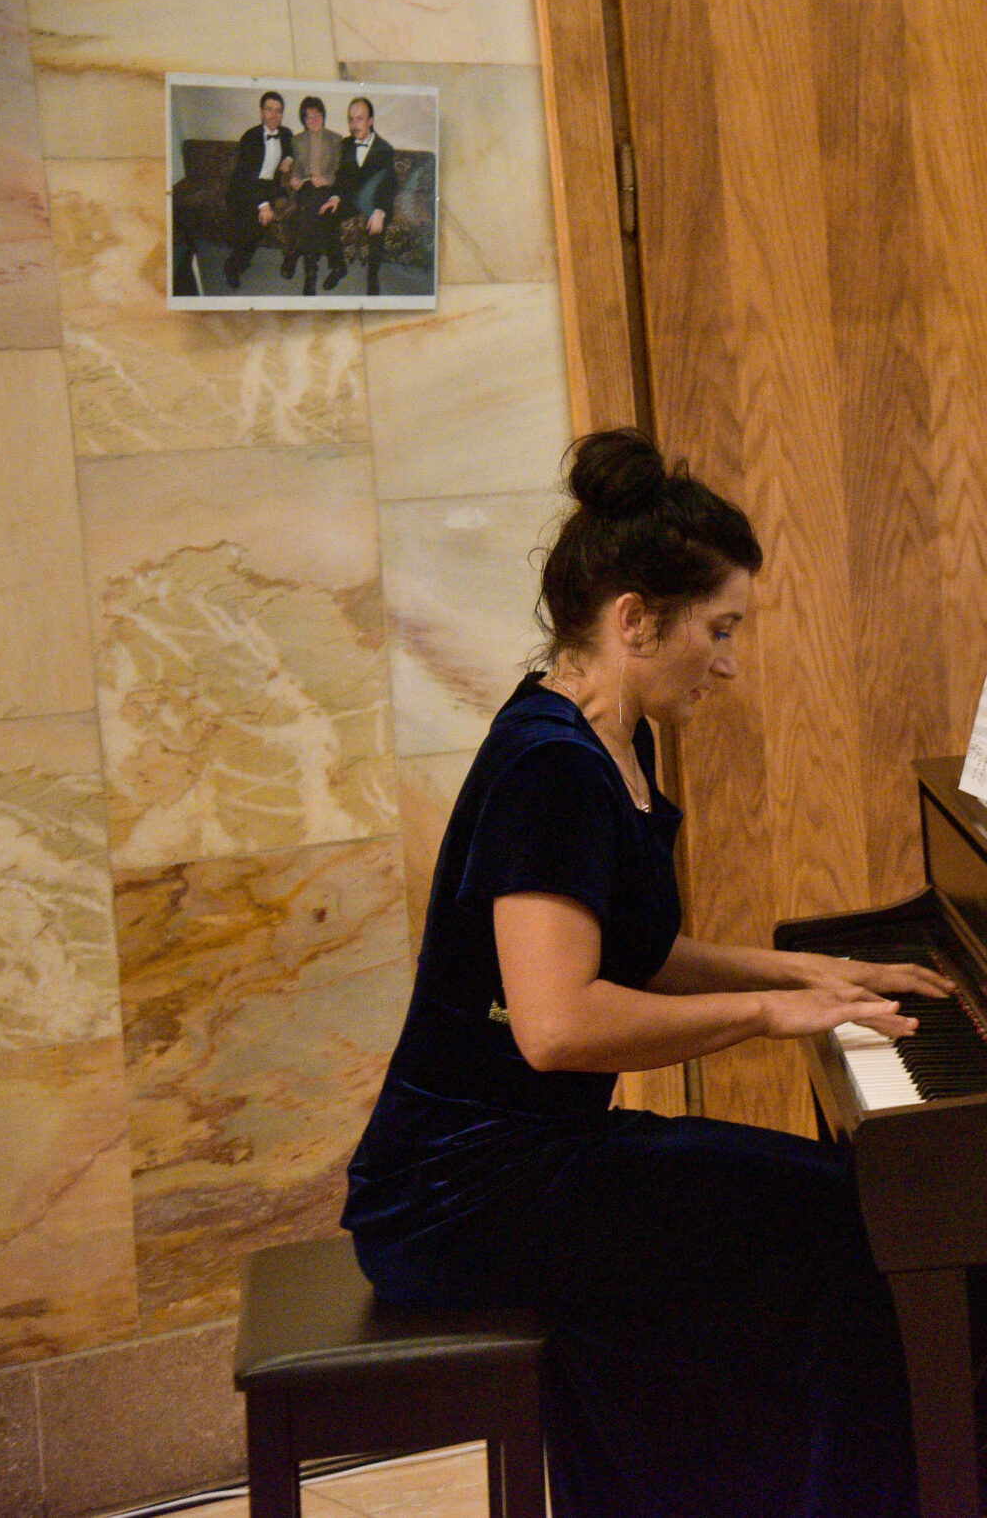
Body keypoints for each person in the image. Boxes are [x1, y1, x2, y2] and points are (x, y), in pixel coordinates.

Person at [344, 431, 953, 1517]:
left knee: (816, 1220)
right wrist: (767, 1012)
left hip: (534, 1161)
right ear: (634, 621)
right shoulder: (549, 767)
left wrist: (812, 970)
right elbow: (557, 1027)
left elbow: (632, 956)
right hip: (460, 1193)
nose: (729, 663)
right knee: (841, 1221)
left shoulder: (611, 742)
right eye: (719, 629)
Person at [222, 90, 292, 289]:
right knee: (251, 226)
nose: (274, 115)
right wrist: (263, 205)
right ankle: (231, 266)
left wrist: (289, 158)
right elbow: (248, 175)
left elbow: (290, 149)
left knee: (262, 225)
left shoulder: (285, 133)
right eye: (269, 110)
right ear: (261, 112)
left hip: (268, 187)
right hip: (244, 188)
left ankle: (244, 258)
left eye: (278, 111)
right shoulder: (250, 137)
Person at [331, 95, 400, 295]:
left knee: (377, 225)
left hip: (376, 200)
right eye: (351, 119)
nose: (354, 125)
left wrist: (379, 211)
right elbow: (341, 176)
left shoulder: (384, 149)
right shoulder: (346, 144)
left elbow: (389, 183)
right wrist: (335, 197)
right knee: (326, 214)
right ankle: (338, 266)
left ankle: (372, 275)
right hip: (352, 198)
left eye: (359, 119)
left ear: (370, 121)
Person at [284, 95, 344, 295]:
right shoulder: (297, 140)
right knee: (311, 206)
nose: (314, 119)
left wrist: (326, 179)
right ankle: (310, 265)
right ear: (303, 120)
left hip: (326, 188)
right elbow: (297, 167)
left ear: (323, 116)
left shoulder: (335, 139)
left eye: (317, 115)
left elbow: (338, 169)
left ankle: (305, 265)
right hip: (306, 187)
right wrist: (295, 178)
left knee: (310, 212)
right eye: (309, 116)